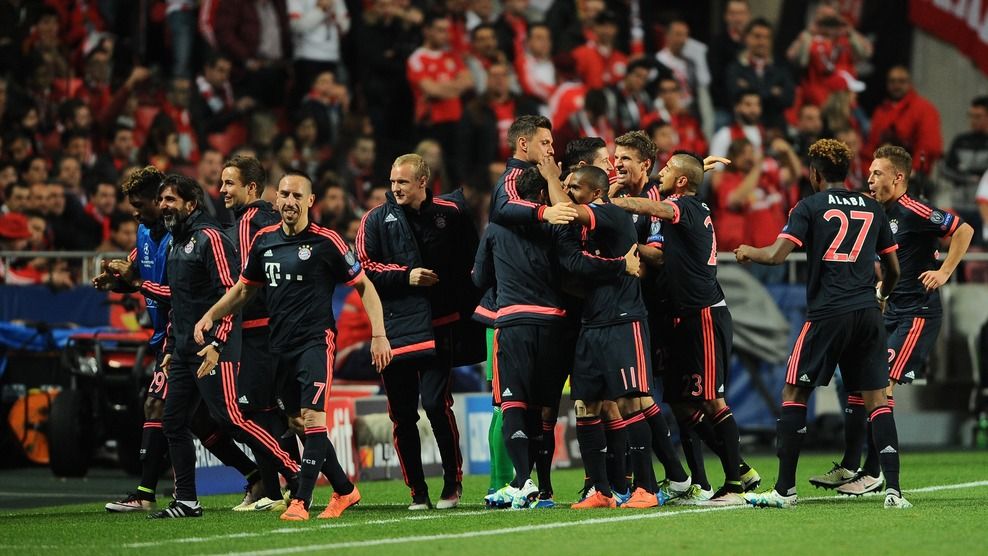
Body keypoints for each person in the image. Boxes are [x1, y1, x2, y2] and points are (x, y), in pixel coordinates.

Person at [195, 170, 391, 521]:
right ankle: (345, 490)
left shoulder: (327, 241)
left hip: (316, 343)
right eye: (284, 194)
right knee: (298, 423)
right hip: (278, 349)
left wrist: (379, 335)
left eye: (298, 196)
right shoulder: (265, 241)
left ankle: (300, 501)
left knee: (314, 419)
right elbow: (243, 290)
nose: (290, 201)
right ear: (276, 199)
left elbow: (365, 287)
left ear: (310, 201)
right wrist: (210, 315)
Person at [734, 138, 910, 509]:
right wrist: (881, 296)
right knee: (878, 399)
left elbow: (776, 256)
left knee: (794, 394)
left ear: (814, 174)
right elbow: (893, 269)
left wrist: (749, 251)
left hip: (828, 312)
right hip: (866, 311)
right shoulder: (872, 207)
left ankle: (785, 490)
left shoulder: (809, 205)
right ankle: (893, 490)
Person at [130, 174, 300, 519]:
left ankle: (294, 472)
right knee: (174, 422)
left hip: (213, 347)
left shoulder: (209, 238)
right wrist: (134, 286)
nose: (164, 206)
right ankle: (187, 501)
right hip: (182, 350)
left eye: (171, 200)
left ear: (190, 204)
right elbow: (180, 299)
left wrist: (218, 342)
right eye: (161, 200)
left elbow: (230, 294)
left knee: (232, 418)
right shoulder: (178, 243)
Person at [809, 145, 973, 495]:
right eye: (869, 173)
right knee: (854, 385)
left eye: (877, 173)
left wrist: (944, 271)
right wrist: (882, 292)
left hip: (917, 316)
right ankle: (851, 466)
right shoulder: (878, 213)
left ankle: (874, 472)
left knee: (879, 389)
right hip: (891, 311)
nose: (869, 179)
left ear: (898, 177)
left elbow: (963, 230)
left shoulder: (914, 209)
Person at [97, 167, 262, 513]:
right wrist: (120, 280)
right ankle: (255, 474)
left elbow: (187, 293)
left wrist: (138, 285)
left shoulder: (188, 238)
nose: (137, 211)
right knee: (196, 422)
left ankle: (147, 492)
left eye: (145, 203)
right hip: (172, 337)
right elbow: (135, 271)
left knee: (179, 410)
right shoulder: (147, 234)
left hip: (198, 336)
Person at [474, 167, 636, 509]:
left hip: (515, 320)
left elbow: (479, 277)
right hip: (555, 325)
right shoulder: (559, 227)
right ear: (545, 195)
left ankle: (523, 482)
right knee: (544, 410)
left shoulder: (497, 228)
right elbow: (573, 267)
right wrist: (620, 265)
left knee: (513, 403)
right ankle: (547, 490)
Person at [611, 151, 752, 505]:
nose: (663, 172)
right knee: (682, 403)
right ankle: (741, 470)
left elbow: (660, 208)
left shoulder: (684, 206)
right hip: (684, 316)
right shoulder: (687, 201)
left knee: (711, 399)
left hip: (703, 313)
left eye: (670, 169)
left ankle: (734, 485)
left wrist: (616, 202)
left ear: (683, 182)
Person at [356, 154, 477, 510]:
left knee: (437, 405)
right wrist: (404, 275)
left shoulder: (450, 215)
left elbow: (471, 261)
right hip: (396, 327)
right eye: (393, 182)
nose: (395, 188)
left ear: (423, 182)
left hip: (440, 324)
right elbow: (362, 269)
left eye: (403, 182)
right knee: (403, 414)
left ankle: (452, 483)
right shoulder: (376, 219)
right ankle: (418, 492)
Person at [217, 155, 298, 512]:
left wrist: (219, 315)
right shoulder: (260, 219)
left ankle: (287, 486)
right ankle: (274, 490)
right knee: (270, 414)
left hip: (258, 330)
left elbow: (250, 280)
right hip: (267, 327)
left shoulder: (252, 221)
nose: (221, 190)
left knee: (260, 413)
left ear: (251, 187)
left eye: (229, 183)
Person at [867, 66, 942, 176]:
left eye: (901, 81)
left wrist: (913, 170)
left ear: (909, 83)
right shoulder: (880, 111)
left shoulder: (924, 109)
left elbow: (929, 146)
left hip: (913, 176)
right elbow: (872, 145)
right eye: (892, 81)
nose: (896, 85)